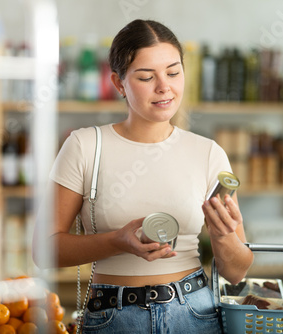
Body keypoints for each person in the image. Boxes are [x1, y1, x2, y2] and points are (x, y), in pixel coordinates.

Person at [33, 19, 253, 333]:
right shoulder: (85, 146)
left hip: (194, 313)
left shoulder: (209, 153)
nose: (164, 87)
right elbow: (44, 250)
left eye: (174, 72)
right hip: (113, 316)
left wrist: (223, 237)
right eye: (146, 77)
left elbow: (237, 271)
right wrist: (116, 241)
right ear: (119, 83)